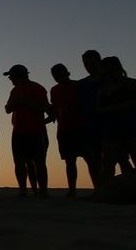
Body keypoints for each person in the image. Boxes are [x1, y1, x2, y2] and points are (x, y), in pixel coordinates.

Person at [97, 57, 136, 182]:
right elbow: (98, 109)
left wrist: (127, 106)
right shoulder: (103, 89)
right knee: (109, 163)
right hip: (111, 129)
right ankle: (105, 192)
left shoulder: (133, 84)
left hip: (134, 127)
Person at [49, 64, 99, 197]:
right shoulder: (54, 90)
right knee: (69, 161)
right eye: (55, 75)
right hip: (64, 130)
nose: (57, 77)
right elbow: (54, 109)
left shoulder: (79, 86)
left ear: (67, 73)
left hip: (81, 128)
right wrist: (48, 119)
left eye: (60, 73)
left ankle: (98, 188)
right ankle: (72, 190)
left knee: (90, 159)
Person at [4, 65, 53, 198]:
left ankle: (42, 191)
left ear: (19, 76)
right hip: (18, 130)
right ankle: (23, 190)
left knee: (39, 162)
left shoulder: (37, 89)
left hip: (36, 131)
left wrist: (25, 102)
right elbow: (8, 109)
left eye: (11, 76)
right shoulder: (15, 90)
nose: (10, 79)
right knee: (19, 161)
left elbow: (45, 108)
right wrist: (14, 104)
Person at [76, 50, 106, 188]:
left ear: (99, 62)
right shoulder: (82, 84)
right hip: (88, 126)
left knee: (119, 158)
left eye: (92, 63)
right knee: (91, 159)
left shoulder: (108, 81)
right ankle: (99, 188)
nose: (89, 66)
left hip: (110, 125)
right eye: (86, 64)